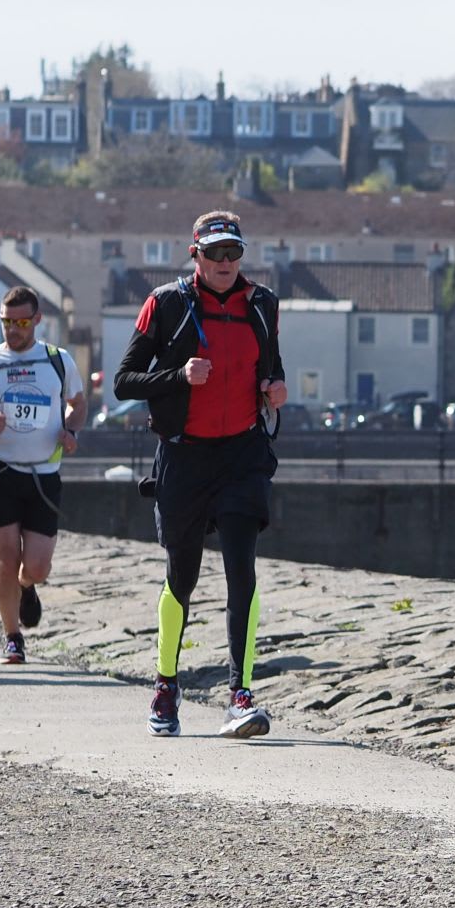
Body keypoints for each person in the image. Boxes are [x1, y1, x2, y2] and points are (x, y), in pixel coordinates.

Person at [112, 209, 289, 740]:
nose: (224, 262)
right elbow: (124, 381)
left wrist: (275, 389)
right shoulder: (165, 305)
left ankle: (241, 693)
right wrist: (179, 376)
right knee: (181, 576)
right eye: (214, 253)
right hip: (184, 456)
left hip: (241, 455)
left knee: (243, 571)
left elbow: (270, 368)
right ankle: (166, 684)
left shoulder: (262, 305)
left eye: (233, 252)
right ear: (195, 255)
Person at [0, 284, 87, 664]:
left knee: (37, 567)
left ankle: (27, 587)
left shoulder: (58, 361)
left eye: (22, 322)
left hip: (44, 473)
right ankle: (12, 637)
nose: (13, 329)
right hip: (1, 471)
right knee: (6, 560)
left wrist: (71, 430)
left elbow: (78, 403)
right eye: (7, 322)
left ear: (37, 320)